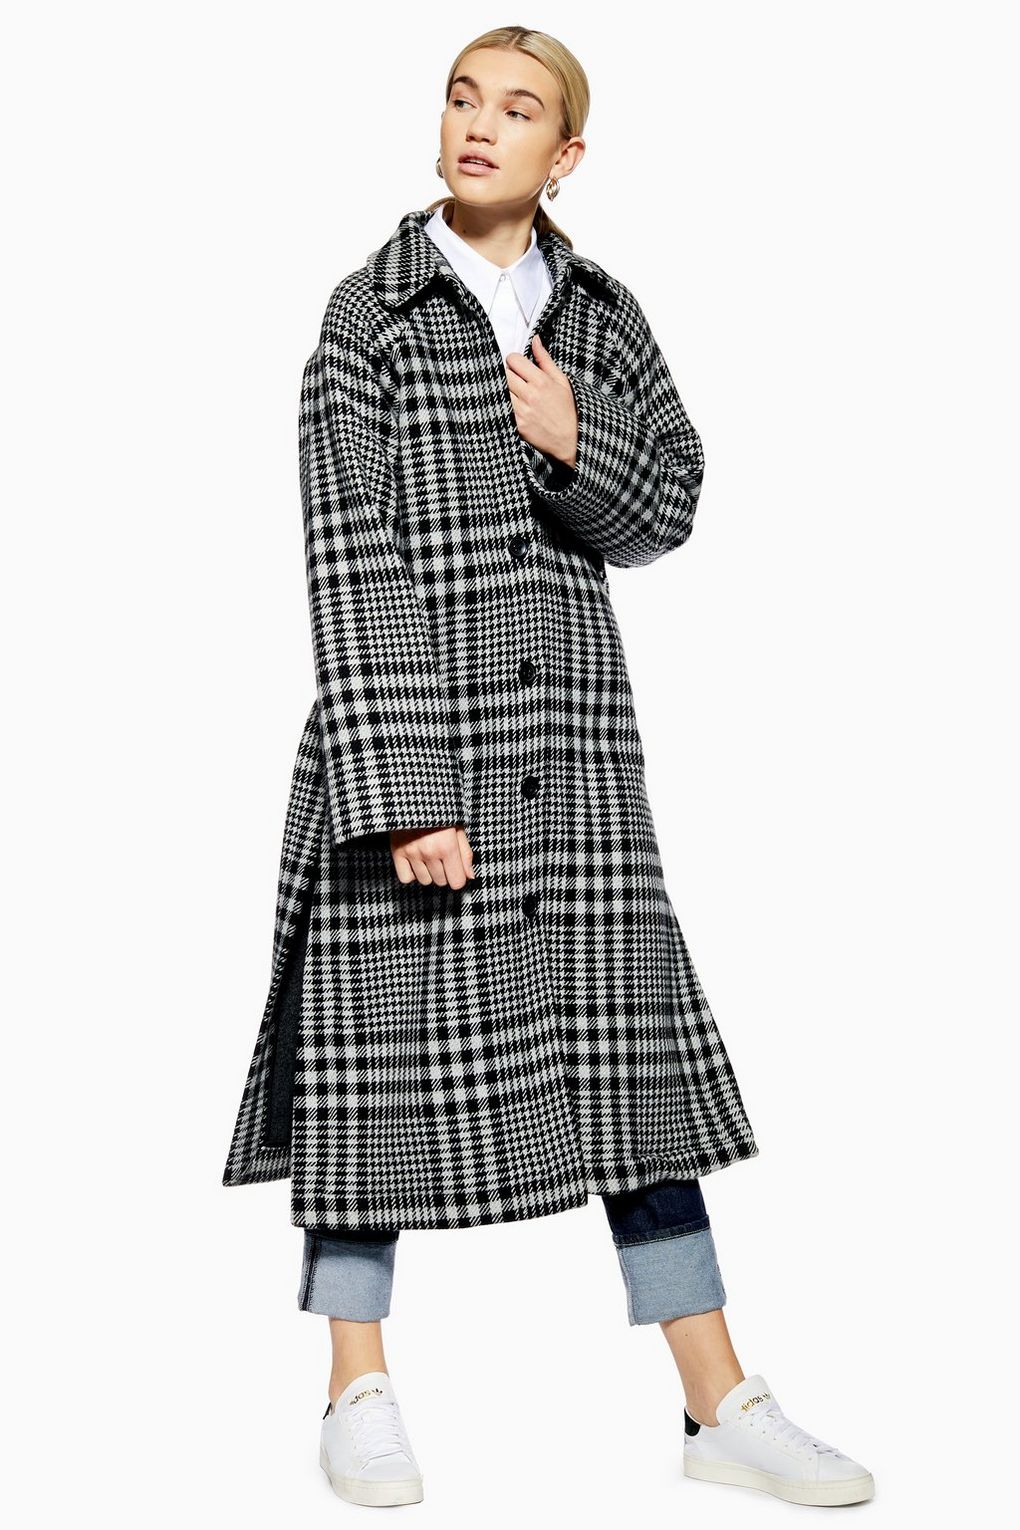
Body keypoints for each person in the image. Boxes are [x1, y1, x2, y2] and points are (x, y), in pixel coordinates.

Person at [223, 24, 875, 1511]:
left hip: (573, 755)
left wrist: (576, 440)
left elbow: (672, 505)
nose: (480, 124)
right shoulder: (369, 314)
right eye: (464, 97)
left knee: (633, 1077)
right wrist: (404, 796)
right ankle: (355, 1386)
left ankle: (717, 1404)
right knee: (373, 1080)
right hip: (417, 746)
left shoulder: (603, 312)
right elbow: (349, 559)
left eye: (518, 110)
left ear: (564, 154)